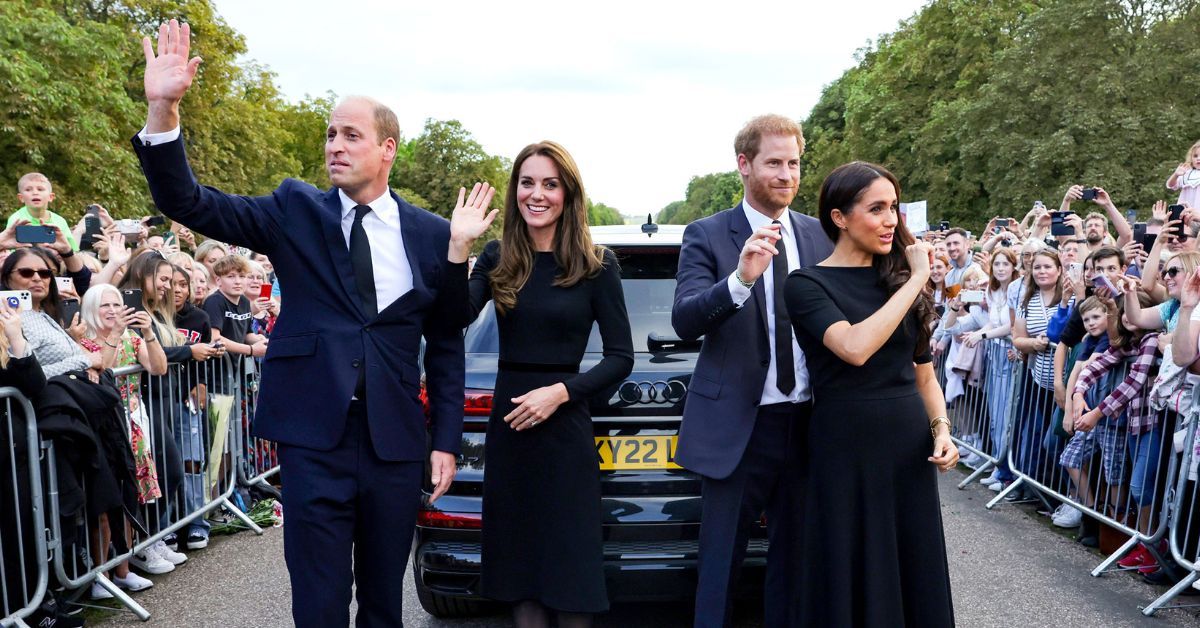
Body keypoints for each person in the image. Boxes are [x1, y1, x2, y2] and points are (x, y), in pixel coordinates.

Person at [132, 20, 477, 626]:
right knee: (317, 604)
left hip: (395, 443)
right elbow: (190, 202)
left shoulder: (431, 235)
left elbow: (445, 343)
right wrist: (163, 110)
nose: (335, 146)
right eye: (330, 135)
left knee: (381, 602)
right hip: (314, 438)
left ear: (387, 148)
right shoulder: (294, 209)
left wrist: (445, 440)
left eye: (351, 135)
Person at [454, 141, 633, 627]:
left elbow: (621, 358)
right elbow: (452, 318)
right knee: (521, 575)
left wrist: (563, 392)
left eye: (550, 184)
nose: (537, 194)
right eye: (527, 183)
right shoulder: (498, 256)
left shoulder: (597, 264)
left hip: (566, 429)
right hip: (511, 432)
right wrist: (460, 247)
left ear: (567, 193)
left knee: (570, 573)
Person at [671, 114, 833, 628]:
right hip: (741, 428)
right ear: (744, 165)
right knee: (720, 567)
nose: (787, 174)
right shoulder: (708, 234)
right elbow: (685, 319)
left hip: (808, 426)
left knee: (796, 566)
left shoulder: (819, 236)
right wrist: (740, 279)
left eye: (794, 163)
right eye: (774, 163)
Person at [784, 161, 956, 627]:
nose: (890, 221)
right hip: (845, 450)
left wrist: (941, 429)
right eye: (876, 208)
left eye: (894, 208)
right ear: (839, 217)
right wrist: (919, 279)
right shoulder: (807, 284)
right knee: (851, 568)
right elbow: (855, 347)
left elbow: (924, 375)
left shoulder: (897, 280)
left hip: (906, 450)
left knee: (911, 567)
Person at [8, 173, 80, 251]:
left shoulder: (60, 221)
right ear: (21, 198)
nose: (35, 193)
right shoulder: (16, 220)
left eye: (40, 189)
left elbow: (72, 251)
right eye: (28, 189)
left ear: (51, 197)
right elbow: (10, 251)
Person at [1167, 139, 1200, 209]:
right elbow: (1171, 185)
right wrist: (1176, 175)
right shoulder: (1187, 173)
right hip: (1185, 214)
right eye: (1195, 156)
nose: (1198, 158)